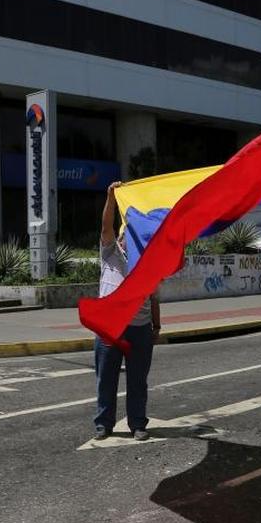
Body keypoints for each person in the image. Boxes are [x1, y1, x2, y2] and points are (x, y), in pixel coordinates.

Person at [93, 181, 161, 442]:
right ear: (120, 238)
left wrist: (157, 326)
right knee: (105, 380)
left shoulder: (148, 263)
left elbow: (154, 298)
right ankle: (103, 424)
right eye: (125, 236)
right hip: (109, 329)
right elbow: (105, 226)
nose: (127, 240)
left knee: (137, 381)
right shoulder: (110, 252)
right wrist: (111, 196)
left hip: (140, 330)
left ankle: (137, 424)